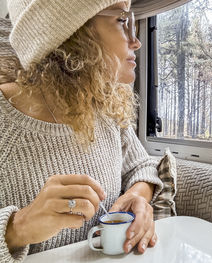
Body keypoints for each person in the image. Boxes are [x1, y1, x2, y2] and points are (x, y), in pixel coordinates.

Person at [0, 0, 163, 262]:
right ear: (73, 34)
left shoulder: (105, 108)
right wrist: (17, 228)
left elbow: (142, 166)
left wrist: (137, 196)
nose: (136, 42)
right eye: (122, 21)